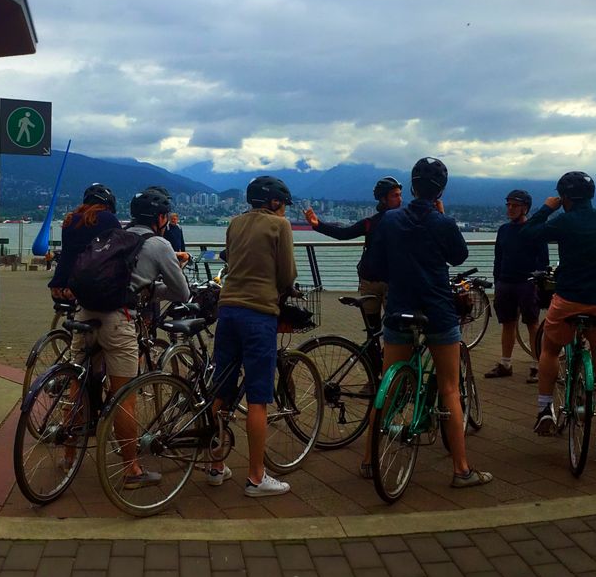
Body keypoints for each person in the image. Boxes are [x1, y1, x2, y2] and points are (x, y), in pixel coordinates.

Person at [367, 157, 491, 487]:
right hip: (438, 311)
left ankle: (369, 459)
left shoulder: (390, 221)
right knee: (450, 388)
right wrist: (441, 215)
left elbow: (372, 266)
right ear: (441, 190)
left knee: (386, 384)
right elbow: (459, 257)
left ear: (411, 186)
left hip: (398, 310)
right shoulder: (443, 223)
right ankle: (461, 469)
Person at [81, 188, 191, 485]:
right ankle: (131, 469)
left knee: (80, 383)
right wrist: (154, 288)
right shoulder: (158, 243)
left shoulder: (114, 235)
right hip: (117, 318)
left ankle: (68, 455)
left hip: (84, 312)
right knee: (124, 396)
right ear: (160, 218)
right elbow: (182, 293)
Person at [520, 171, 596, 462]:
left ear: (564, 198)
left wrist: (547, 208)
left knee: (550, 349)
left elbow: (528, 235)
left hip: (569, 300)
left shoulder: (563, 220)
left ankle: (544, 409)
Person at [211, 176, 299, 497]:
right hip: (259, 314)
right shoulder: (280, 227)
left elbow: (232, 261)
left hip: (228, 309)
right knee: (258, 397)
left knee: (221, 387)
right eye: (284, 204)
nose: (286, 210)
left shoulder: (235, 223)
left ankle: (216, 464)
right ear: (275, 202)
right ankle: (256, 477)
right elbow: (287, 273)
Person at [304, 176, 401, 338]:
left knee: (392, 330)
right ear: (383, 199)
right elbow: (344, 233)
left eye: (399, 195)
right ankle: (375, 361)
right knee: (376, 332)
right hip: (372, 282)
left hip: (389, 282)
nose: (400, 199)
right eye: (395, 195)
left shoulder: (399, 221)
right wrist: (318, 225)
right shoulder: (373, 222)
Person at [485, 190, 549, 380]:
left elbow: (543, 259)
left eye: (515, 205)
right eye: (509, 205)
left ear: (525, 208)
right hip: (505, 282)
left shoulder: (535, 229)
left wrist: (538, 282)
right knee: (507, 323)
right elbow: (498, 258)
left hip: (527, 283)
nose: (511, 209)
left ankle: (538, 364)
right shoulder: (503, 230)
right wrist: (497, 282)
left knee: (532, 323)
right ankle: (505, 363)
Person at [47, 184, 119, 301]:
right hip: (84, 289)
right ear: (108, 205)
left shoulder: (70, 219)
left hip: (58, 288)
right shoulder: (108, 218)